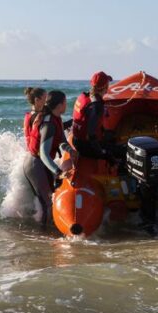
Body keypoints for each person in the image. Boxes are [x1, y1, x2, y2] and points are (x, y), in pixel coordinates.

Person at [24, 90, 77, 225]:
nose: (67, 105)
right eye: (65, 102)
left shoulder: (56, 118)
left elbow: (62, 141)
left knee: (50, 199)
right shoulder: (49, 125)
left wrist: (70, 150)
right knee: (47, 203)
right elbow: (43, 154)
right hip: (35, 164)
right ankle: (42, 241)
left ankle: (46, 233)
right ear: (59, 105)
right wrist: (59, 172)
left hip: (40, 164)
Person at [71, 71, 113, 160]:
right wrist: (101, 152)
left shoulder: (83, 97)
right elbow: (91, 134)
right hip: (85, 146)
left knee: (110, 134)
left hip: (75, 140)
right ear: (105, 87)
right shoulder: (96, 105)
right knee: (120, 149)